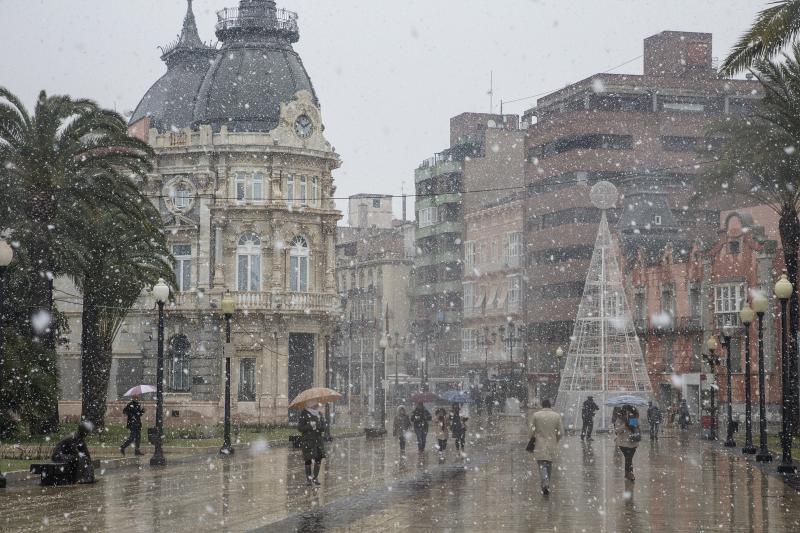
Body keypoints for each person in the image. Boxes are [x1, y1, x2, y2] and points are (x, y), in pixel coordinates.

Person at [529, 398, 564, 496]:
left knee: (541, 464)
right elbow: (561, 432)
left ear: (542, 405)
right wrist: (555, 439)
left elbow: (531, 430)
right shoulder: (556, 416)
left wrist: (532, 437)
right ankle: (547, 484)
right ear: (550, 405)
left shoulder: (536, 415)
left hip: (539, 443)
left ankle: (545, 483)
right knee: (549, 464)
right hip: (552, 443)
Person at [298, 402, 327, 486]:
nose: (316, 405)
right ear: (310, 404)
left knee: (318, 459)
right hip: (308, 441)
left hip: (318, 441)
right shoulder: (304, 413)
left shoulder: (319, 414)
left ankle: (315, 478)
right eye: (314, 403)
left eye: (317, 403)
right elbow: (300, 428)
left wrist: (319, 426)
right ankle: (308, 479)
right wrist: (310, 426)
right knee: (308, 460)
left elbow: (323, 428)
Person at [614, 405, 641, 481]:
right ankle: (630, 474)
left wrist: (635, 425)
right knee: (628, 458)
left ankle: (627, 474)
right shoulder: (620, 419)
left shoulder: (634, 418)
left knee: (629, 458)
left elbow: (638, 428)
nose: (628, 412)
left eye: (629, 411)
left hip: (633, 442)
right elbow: (617, 431)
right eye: (626, 411)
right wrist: (625, 425)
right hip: (623, 443)